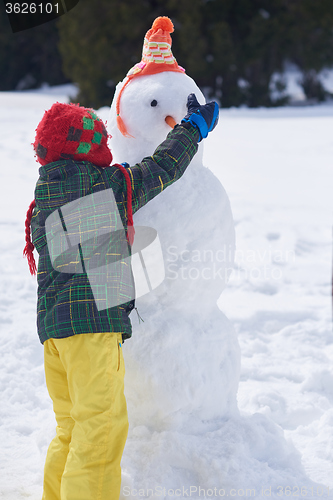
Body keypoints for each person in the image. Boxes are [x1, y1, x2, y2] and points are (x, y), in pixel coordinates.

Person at [24, 93, 219, 500]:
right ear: (87, 149)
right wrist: (192, 128)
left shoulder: (44, 199)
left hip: (55, 334)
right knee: (101, 430)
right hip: (92, 330)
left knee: (72, 428)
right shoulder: (107, 187)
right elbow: (162, 168)